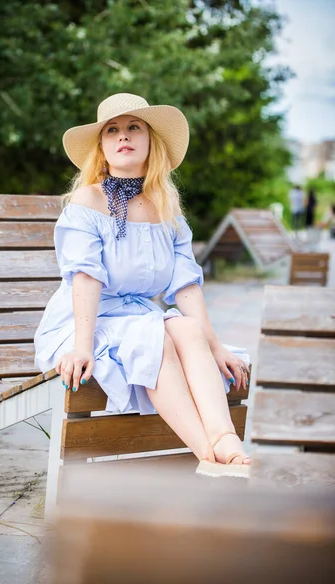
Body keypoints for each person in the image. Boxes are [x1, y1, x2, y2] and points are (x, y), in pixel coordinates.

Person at [34, 93, 251, 476]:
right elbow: (85, 277)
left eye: (134, 127)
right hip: (84, 321)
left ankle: (224, 438)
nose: (123, 136)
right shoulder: (89, 200)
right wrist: (81, 348)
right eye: (112, 130)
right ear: (101, 148)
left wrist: (214, 346)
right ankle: (210, 456)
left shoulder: (166, 207)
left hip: (138, 318)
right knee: (156, 337)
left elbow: (185, 285)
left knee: (183, 327)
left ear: (151, 141)